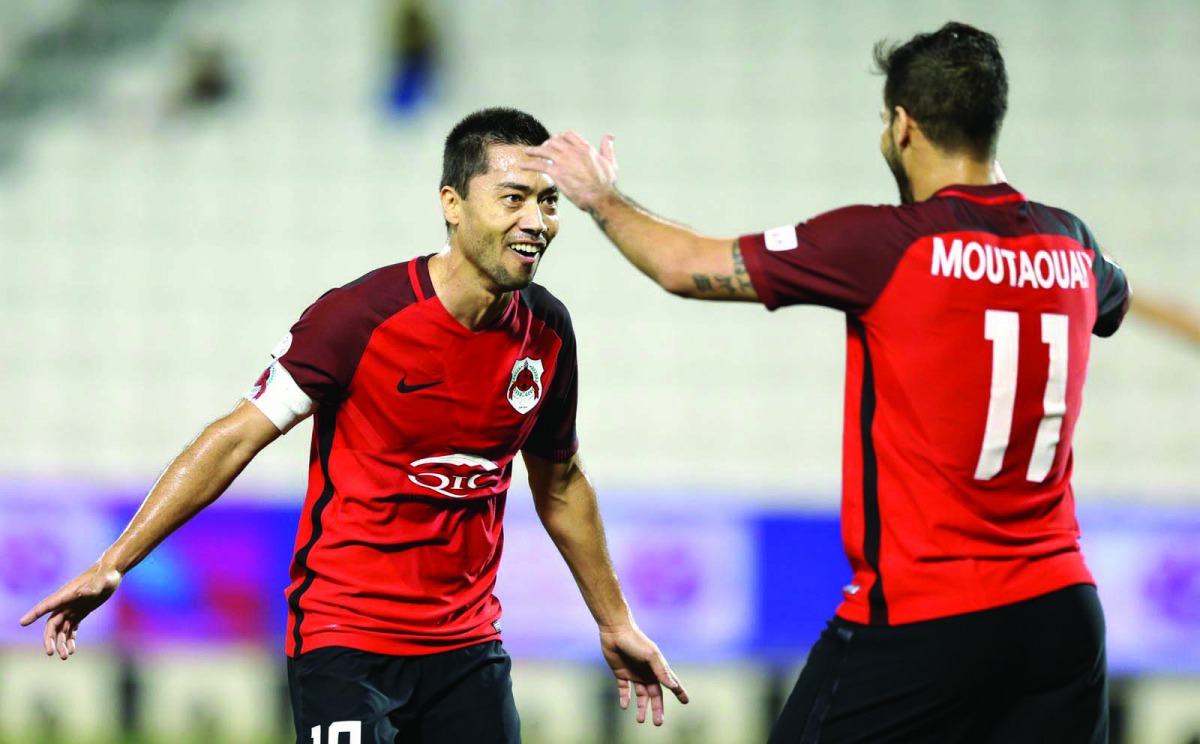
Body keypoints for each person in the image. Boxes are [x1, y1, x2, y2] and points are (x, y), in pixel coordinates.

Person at [524, 23, 1128, 744]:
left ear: (903, 127)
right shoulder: (1073, 243)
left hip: (923, 615)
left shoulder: (885, 243)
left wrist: (601, 197)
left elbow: (685, 267)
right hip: (1061, 614)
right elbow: (1109, 300)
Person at [20, 107, 688, 743]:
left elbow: (561, 484)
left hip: (468, 648)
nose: (537, 220)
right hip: (347, 640)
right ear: (451, 205)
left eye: (549, 201)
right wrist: (115, 563)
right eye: (513, 197)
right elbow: (234, 439)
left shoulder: (547, 330)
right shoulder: (359, 318)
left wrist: (614, 620)